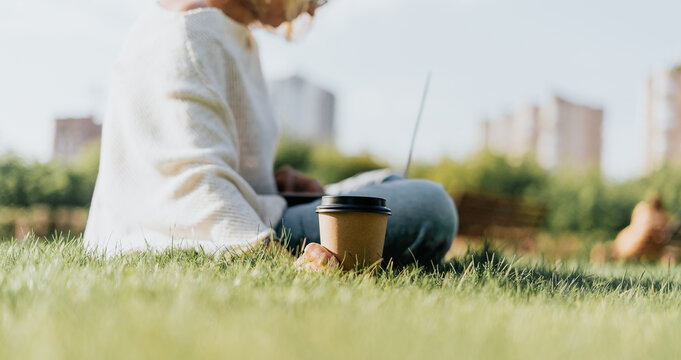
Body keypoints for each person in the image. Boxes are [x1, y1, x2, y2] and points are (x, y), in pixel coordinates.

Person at [84, 0, 458, 270]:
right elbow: (193, 192)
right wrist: (283, 260)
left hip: (257, 210)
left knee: (385, 184)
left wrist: (274, 187)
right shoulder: (188, 34)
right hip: (221, 232)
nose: (312, 9)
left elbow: (188, 154)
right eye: (316, 0)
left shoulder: (228, 32)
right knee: (429, 204)